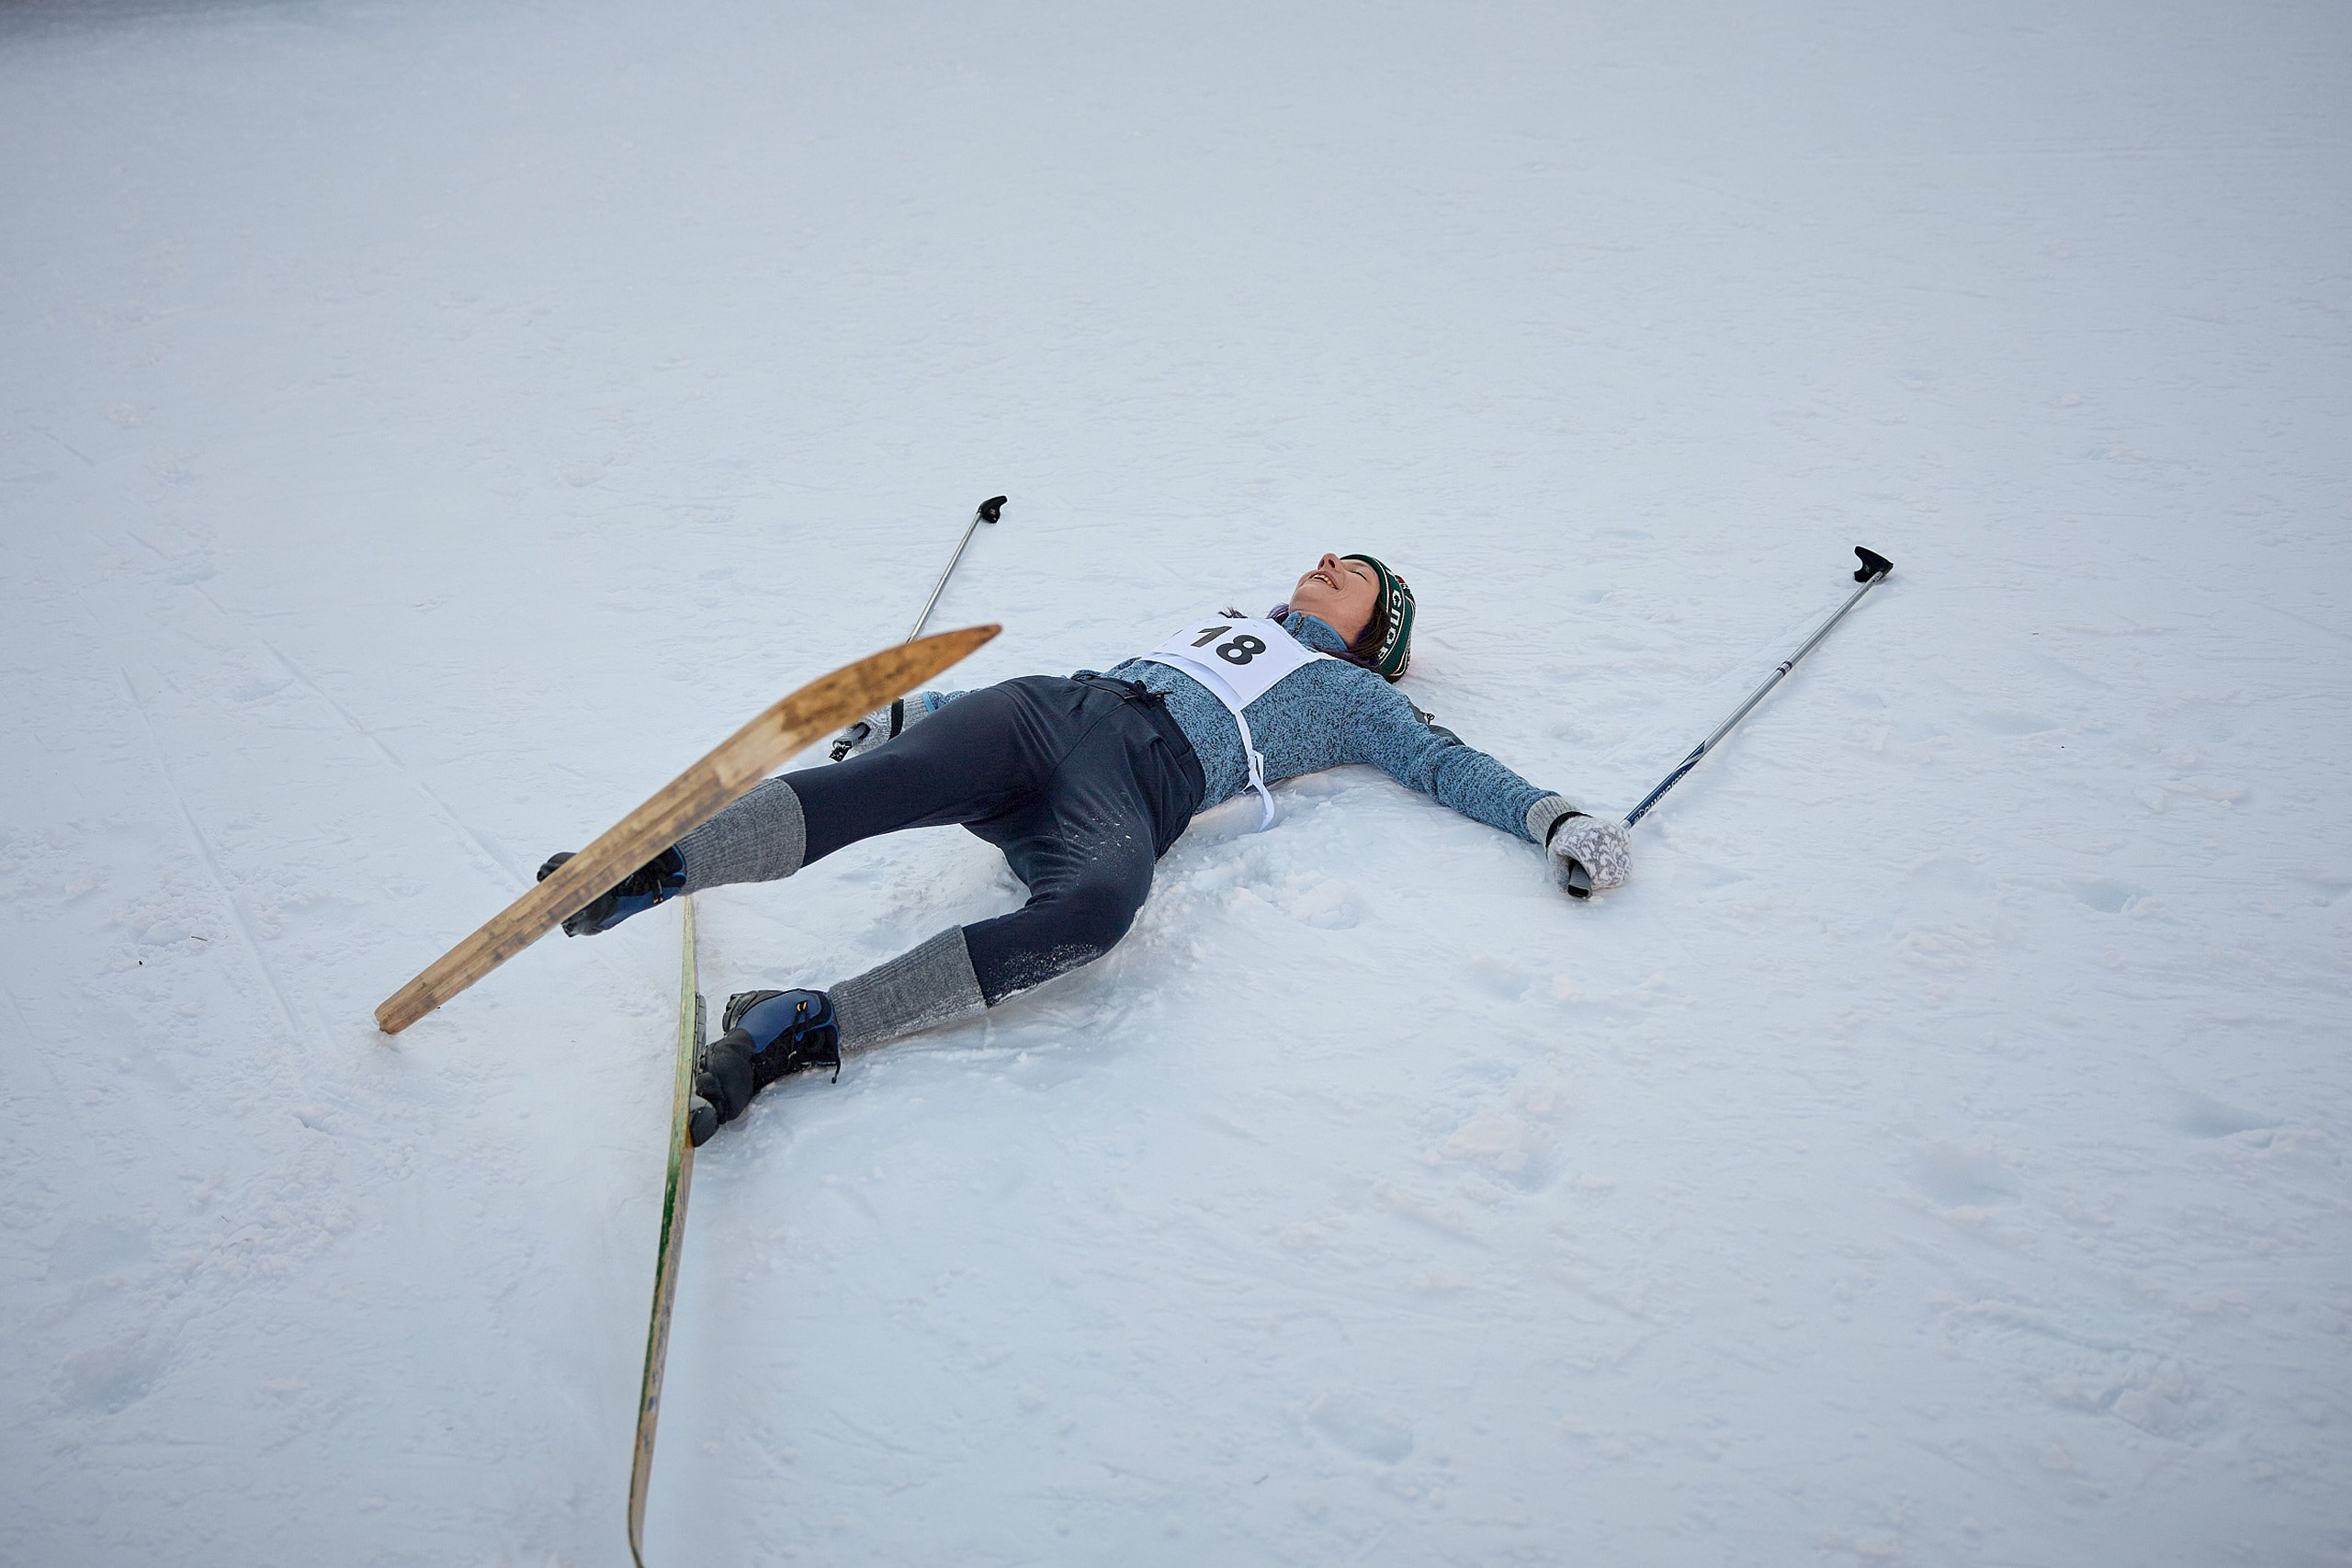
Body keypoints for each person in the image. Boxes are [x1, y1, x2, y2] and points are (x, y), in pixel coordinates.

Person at [540, 552, 1632, 1144]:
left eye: (1352, 572)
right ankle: (647, 868)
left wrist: (1554, 817)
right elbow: (1106, 675)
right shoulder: (1222, 617)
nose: (1322, 561)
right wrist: (919, 712)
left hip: (1128, 790)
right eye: (1323, 556)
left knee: (1097, 915)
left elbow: (1450, 766)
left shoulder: (1353, 699)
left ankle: (796, 1027)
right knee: (874, 785)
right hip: (1049, 713)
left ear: (1375, 635)